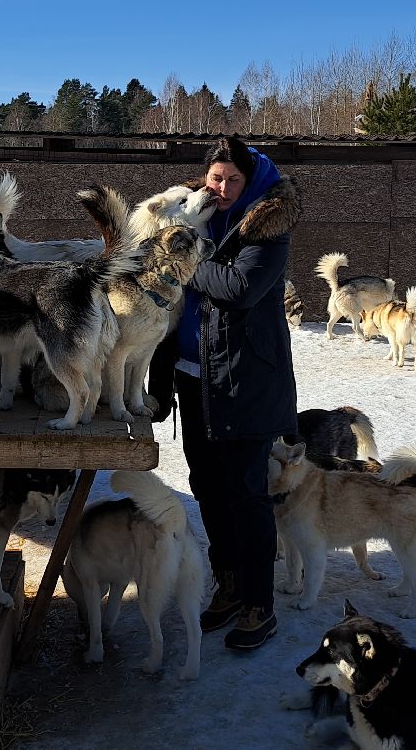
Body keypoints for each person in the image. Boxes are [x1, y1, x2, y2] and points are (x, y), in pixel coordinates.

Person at [148, 136, 301, 650]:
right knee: (207, 488)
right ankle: (229, 582)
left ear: (251, 178)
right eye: (216, 177)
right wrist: (158, 380)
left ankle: (260, 602)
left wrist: (183, 262)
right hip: (194, 378)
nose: (223, 187)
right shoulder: (192, 211)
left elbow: (240, 288)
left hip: (244, 382)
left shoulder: (268, 224)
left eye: (234, 179)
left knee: (247, 495)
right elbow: (166, 307)